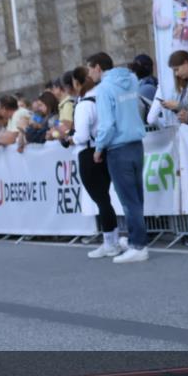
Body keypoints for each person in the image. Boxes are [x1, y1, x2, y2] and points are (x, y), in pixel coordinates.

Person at [89, 52, 148, 264]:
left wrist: (98, 147)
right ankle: (136, 239)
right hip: (136, 143)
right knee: (137, 197)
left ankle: (138, 245)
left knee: (128, 199)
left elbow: (107, 124)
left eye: (89, 69)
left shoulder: (104, 89)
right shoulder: (131, 80)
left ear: (97, 67)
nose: (89, 73)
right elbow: (139, 107)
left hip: (118, 147)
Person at [69, 67, 120, 258]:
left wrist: (70, 139)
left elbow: (81, 135)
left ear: (76, 83)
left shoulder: (84, 105)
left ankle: (109, 242)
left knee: (101, 199)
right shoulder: (103, 98)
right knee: (105, 198)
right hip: (104, 149)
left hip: (89, 152)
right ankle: (112, 239)